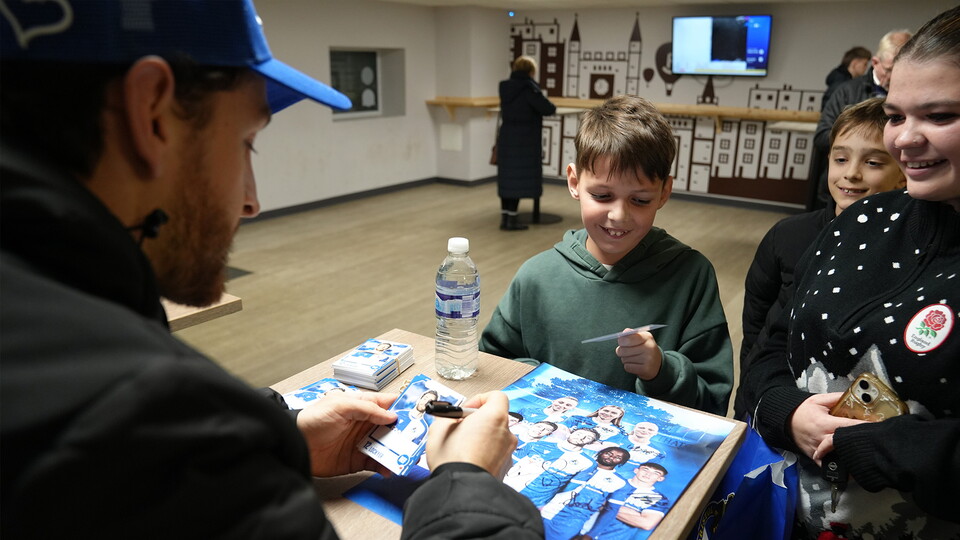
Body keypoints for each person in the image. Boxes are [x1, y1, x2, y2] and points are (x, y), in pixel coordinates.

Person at [0, 1, 543, 538]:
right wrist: (466, 483)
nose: (251, 202)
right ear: (150, 113)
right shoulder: (143, 420)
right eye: (246, 142)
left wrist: (281, 436)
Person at [739, 6, 960, 537]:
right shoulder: (861, 221)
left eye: (939, 116)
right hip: (785, 514)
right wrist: (786, 410)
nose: (904, 138)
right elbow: (774, 341)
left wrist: (882, 447)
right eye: (896, 115)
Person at [480, 94, 733, 416]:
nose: (619, 215)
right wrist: (532, 376)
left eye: (640, 200)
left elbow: (713, 401)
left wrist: (661, 371)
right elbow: (490, 367)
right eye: (602, 196)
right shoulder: (536, 277)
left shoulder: (690, 275)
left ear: (664, 192)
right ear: (574, 182)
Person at [736, 97, 906, 418]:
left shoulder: (905, 254)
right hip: (773, 395)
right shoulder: (787, 235)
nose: (851, 174)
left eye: (873, 163)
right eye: (841, 159)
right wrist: (748, 391)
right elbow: (757, 325)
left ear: (903, 172)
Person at [810, 29, 912, 209]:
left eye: (903, 71)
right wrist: (863, 142)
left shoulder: (912, 96)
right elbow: (821, 136)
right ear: (875, 62)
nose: (895, 78)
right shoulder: (846, 91)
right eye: (890, 70)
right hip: (841, 194)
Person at [496, 55, 557, 231]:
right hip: (525, 140)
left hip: (507, 138)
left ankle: (505, 218)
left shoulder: (505, 87)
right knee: (517, 180)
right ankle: (512, 221)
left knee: (508, 179)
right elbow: (548, 108)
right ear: (531, 71)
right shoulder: (529, 88)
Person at [542, 446, 631, 539]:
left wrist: (590, 535)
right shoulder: (579, 464)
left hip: (568, 523)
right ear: (600, 452)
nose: (611, 457)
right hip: (542, 511)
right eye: (609, 453)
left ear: (622, 462)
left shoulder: (620, 483)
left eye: (618, 457)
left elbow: (611, 511)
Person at [583, 463, 671, 538]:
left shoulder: (658, 498)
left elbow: (646, 524)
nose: (648, 474)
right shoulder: (614, 482)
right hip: (582, 531)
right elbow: (588, 500)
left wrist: (606, 504)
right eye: (645, 469)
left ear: (660, 479)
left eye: (656, 473)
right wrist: (635, 513)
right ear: (636, 470)